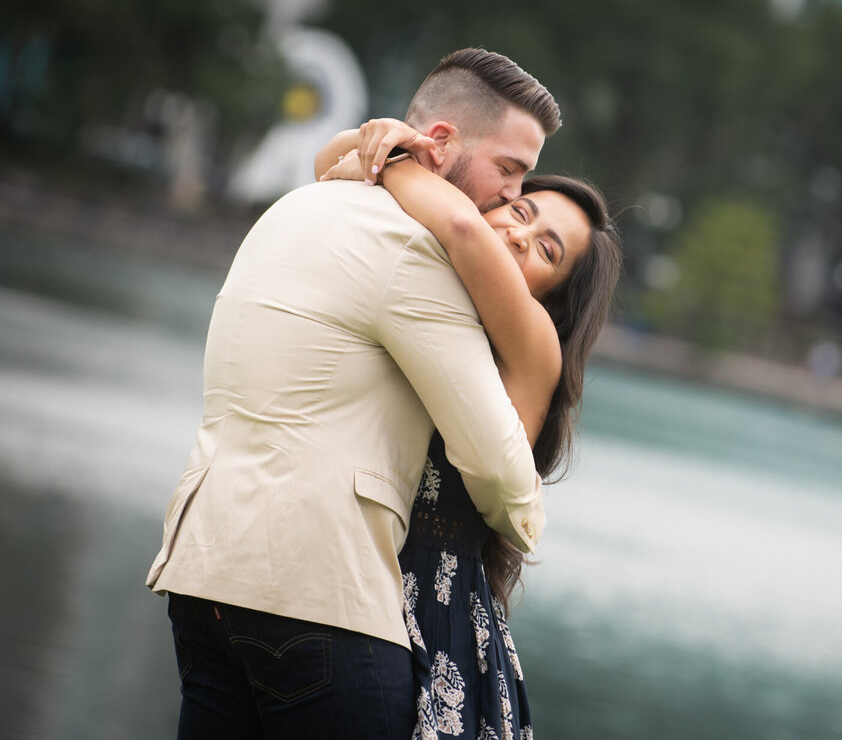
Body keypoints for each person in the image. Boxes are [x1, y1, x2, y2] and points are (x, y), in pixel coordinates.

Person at [147, 49, 568, 740]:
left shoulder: (300, 204)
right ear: (439, 143)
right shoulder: (417, 252)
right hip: (320, 599)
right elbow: (496, 465)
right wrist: (525, 517)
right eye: (510, 170)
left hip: (200, 579)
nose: (510, 196)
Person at [318, 132, 621, 738]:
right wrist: (370, 139)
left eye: (546, 250)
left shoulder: (535, 349)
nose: (517, 236)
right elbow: (326, 167)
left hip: (436, 617)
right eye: (520, 211)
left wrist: (394, 159)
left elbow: (460, 227)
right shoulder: (425, 287)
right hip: (340, 584)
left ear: (554, 300)